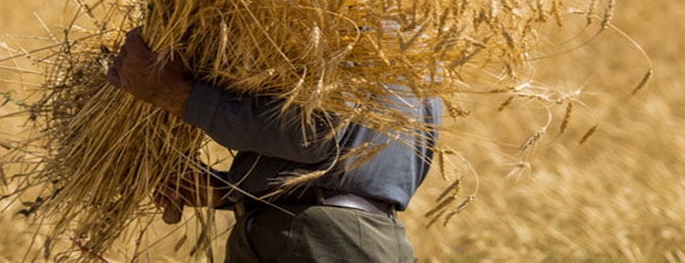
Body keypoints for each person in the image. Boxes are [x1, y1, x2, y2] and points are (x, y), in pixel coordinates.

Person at [108, 29, 442, 262]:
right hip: (343, 239)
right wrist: (232, 191)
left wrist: (175, 94)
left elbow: (312, 136)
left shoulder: (345, 29)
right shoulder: (412, 44)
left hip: (318, 244)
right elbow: (358, 168)